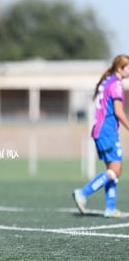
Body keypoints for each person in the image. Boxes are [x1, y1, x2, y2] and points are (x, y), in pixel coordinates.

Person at [73, 54, 129, 218]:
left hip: (100, 130)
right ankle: (82, 193)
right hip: (107, 131)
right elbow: (118, 112)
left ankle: (110, 208)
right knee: (116, 170)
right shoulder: (116, 84)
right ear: (120, 68)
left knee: (112, 170)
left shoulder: (107, 82)